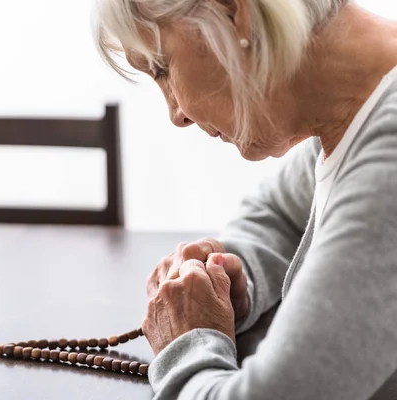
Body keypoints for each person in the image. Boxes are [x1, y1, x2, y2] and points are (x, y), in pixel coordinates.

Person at [95, 0, 397, 399]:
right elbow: (281, 217)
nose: (176, 113)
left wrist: (188, 341)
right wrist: (233, 277)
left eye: (163, 67)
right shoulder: (360, 107)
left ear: (231, 11)